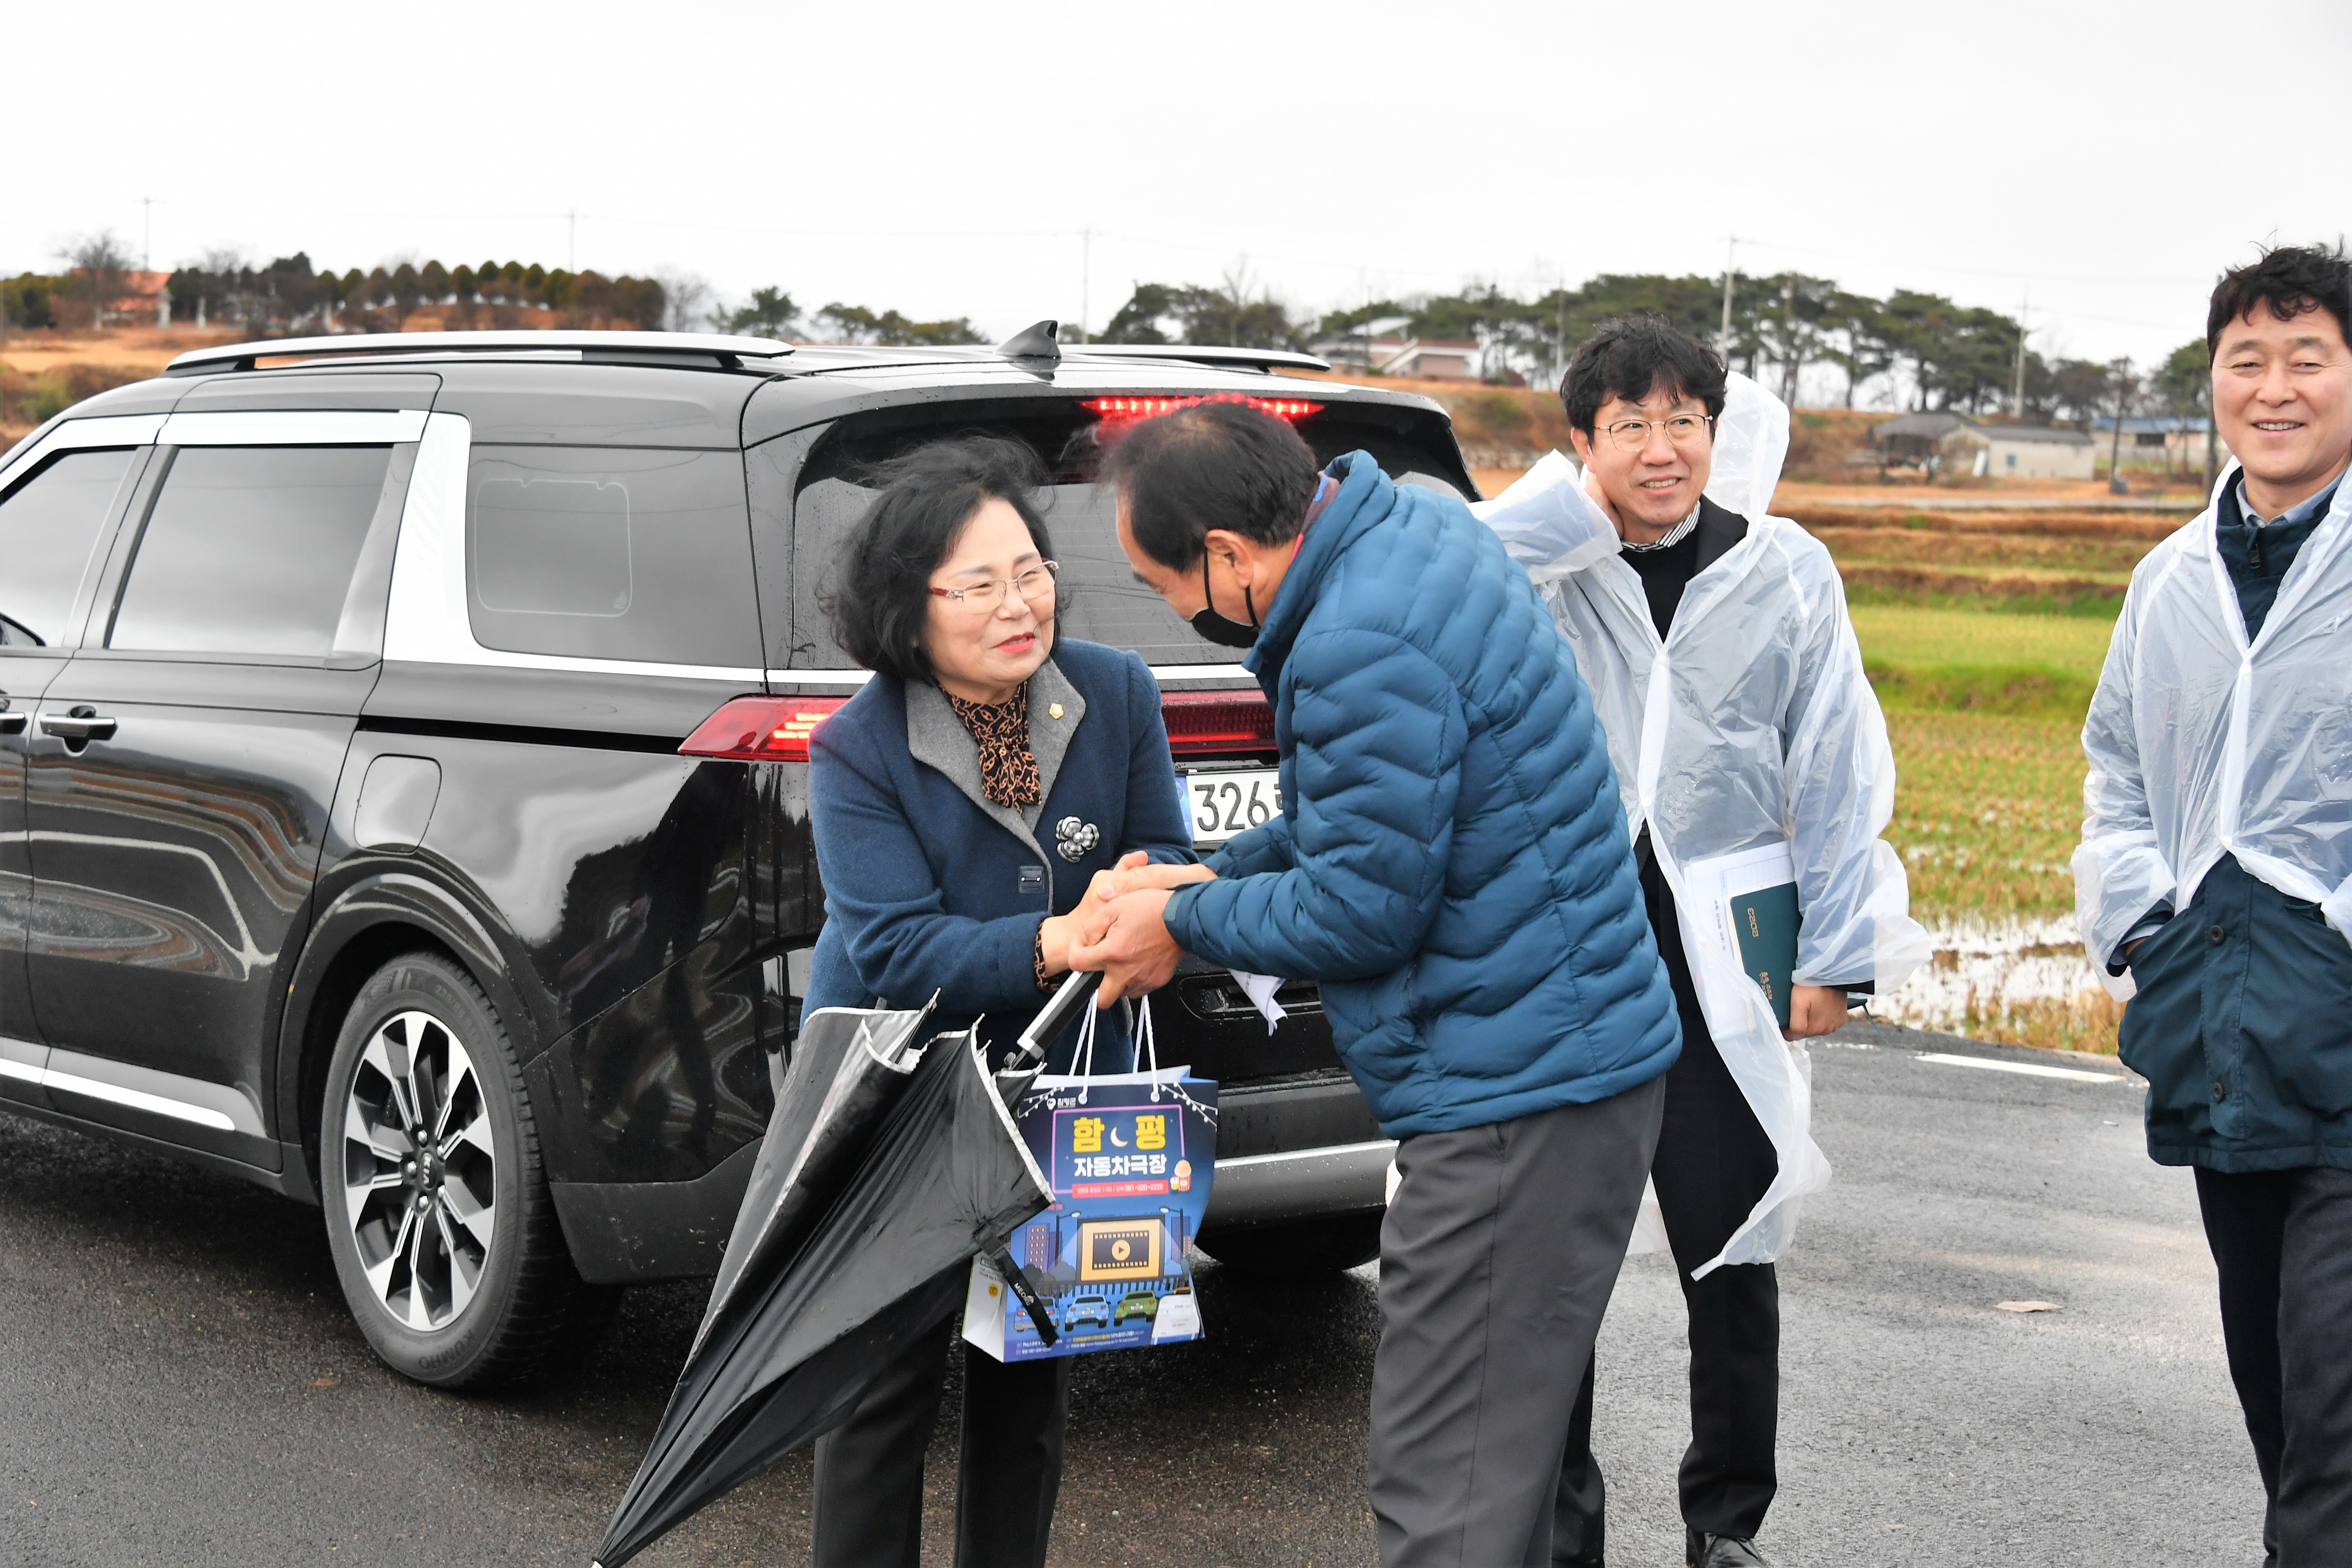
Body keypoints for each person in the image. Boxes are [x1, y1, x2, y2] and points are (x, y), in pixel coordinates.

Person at [1067, 399, 1683, 1568]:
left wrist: (1182, 922)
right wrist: (1214, 870)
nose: (1175, 614)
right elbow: (1367, 832)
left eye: (1163, 587)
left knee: (1446, 1486)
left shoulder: (1356, 643)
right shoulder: (1414, 528)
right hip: (1569, 1064)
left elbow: (1363, 909)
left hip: (1513, 1097)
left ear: (1229, 558)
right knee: (1529, 1472)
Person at [1474, 317, 1926, 1568]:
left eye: (1686, 422)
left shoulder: (1783, 569)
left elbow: (1834, 761)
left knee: (1731, 1245)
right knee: (1555, 1256)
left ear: (1717, 436)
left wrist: (1836, 955)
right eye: (1630, 426)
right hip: (1572, 948)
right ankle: (1558, 1523)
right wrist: (1568, 518)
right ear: (1583, 445)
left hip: (1729, 941)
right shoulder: (1545, 568)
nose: (1662, 449)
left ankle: (1725, 1521)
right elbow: (1440, 571)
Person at [797, 434, 1195, 1568]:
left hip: (1062, 1089)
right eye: (979, 585)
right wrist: (1059, 939)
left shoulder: (1114, 691)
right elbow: (894, 948)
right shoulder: (857, 749)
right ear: (908, 608)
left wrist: (1142, 885)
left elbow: (1159, 844)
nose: (1020, 605)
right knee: (880, 1396)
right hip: (902, 1092)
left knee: (1030, 1388)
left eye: (1031, 572)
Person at [2074, 243, 2352, 1567]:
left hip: (2339, 1012)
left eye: (2310, 357)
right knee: (2274, 1384)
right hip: (2216, 1024)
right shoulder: (2170, 577)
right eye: (2250, 359)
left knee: (2336, 1397)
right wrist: (2144, 931)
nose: (2276, 387)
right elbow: (2118, 770)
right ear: (2214, 383)